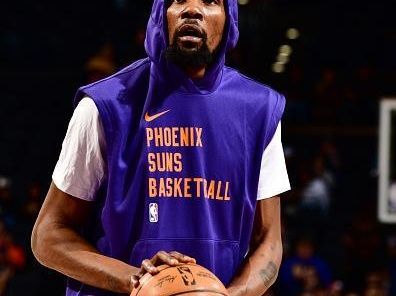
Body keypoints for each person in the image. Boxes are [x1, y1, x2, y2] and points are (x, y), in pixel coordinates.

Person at [31, 0, 290, 295]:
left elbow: (269, 241)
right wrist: (139, 280)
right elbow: (48, 236)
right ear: (159, 13)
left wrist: (226, 295)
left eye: (210, 1)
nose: (192, 9)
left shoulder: (259, 110)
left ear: (229, 18)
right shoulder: (106, 105)